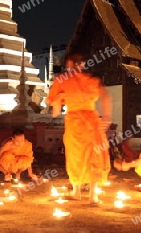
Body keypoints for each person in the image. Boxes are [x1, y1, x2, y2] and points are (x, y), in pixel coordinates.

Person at [46, 52, 112, 204]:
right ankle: (93, 196)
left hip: (75, 122)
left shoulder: (61, 80)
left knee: (75, 158)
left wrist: (58, 103)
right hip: (91, 121)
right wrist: (107, 118)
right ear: (83, 64)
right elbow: (106, 96)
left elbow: (55, 112)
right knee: (94, 156)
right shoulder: (92, 80)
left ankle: (77, 192)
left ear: (69, 64)